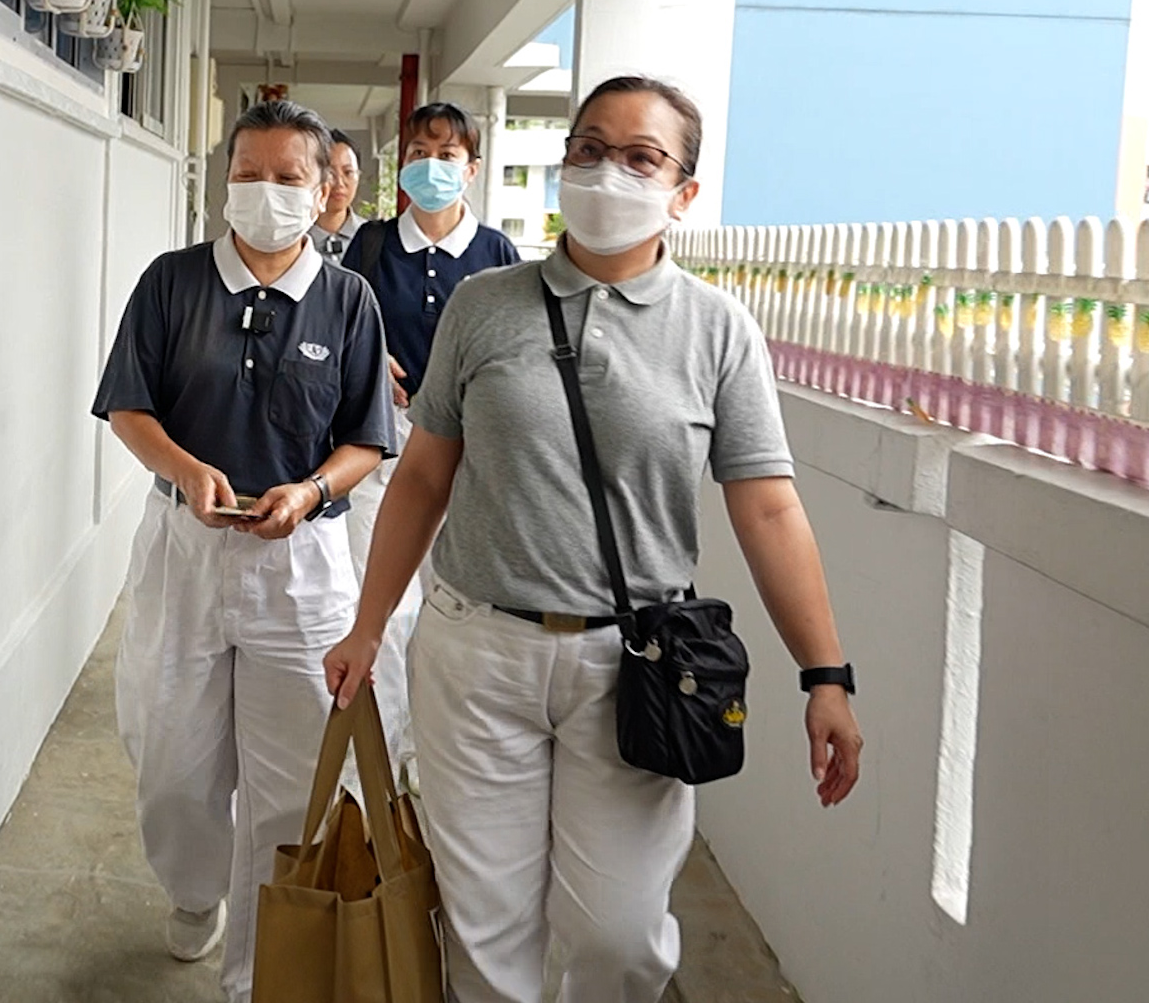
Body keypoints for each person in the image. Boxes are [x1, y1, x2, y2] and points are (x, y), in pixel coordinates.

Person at [322, 76, 865, 1003]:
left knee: (618, 939)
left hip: (636, 668)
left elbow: (769, 508)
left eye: (642, 157)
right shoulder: (486, 305)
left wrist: (826, 676)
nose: (608, 170)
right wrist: (369, 626)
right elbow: (421, 477)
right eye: (589, 147)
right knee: (487, 927)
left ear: (684, 192)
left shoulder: (717, 330)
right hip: (476, 648)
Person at [92, 100, 397, 1003]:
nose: (267, 193)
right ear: (225, 181)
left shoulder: (349, 300)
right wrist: (187, 471)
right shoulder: (173, 282)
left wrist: (311, 491)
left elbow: (367, 440)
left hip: (301, 568)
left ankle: (257, 972)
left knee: (289, 778)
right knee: (173, 760)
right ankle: (193, 894)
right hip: (186, 550)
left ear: (325, 189)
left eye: (288, 177)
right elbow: (128, 406)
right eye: (250, 174)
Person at [344, 102, 521, 775]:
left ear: (471, 170)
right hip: (382, 448)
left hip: (465, 456)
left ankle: (434, 748)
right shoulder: (373, 245)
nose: (431, 168)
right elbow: (345, 322)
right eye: (419, 154)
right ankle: (381, 749)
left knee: (450, 605)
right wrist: (372, 354)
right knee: (379, 600)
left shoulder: (496, 254)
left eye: (447, 157)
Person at [310, 129, 366, 265]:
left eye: (348, 172)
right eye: (329, 173)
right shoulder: (293, 237)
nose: (339, 183)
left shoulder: (373, 237)